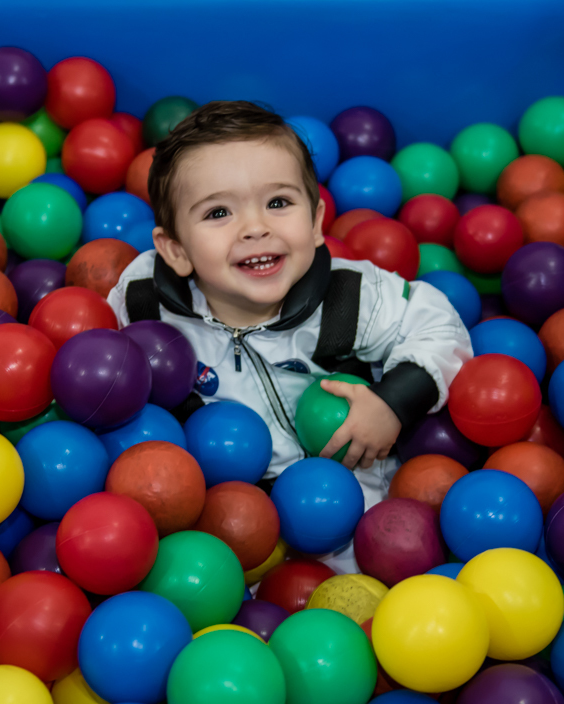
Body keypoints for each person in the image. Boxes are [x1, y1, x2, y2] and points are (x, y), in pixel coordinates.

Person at [107, 100, 472, 571]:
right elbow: (106, 372)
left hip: (351, 481)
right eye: (218, 213)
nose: (255, 228)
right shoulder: (144, 304)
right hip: (223, 510)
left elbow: (437, 323)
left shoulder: (348, 297)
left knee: (382, 564)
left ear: (317, 221)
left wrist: (395, 401)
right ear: (175, 250)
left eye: (278, 203)